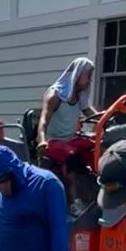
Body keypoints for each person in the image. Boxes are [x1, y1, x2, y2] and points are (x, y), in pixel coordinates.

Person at [36, 57, 99, 216]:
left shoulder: (80, 95)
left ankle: (102, 193)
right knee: (71, 155)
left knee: (97, 147)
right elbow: (43, 120)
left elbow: (90, 113)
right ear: (77, 75)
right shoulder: (54, 96)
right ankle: (74, 202)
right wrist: (42, 140)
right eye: (88, 76)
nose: (89, 80)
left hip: (71, 139)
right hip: (54, 141)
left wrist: (108, 118)